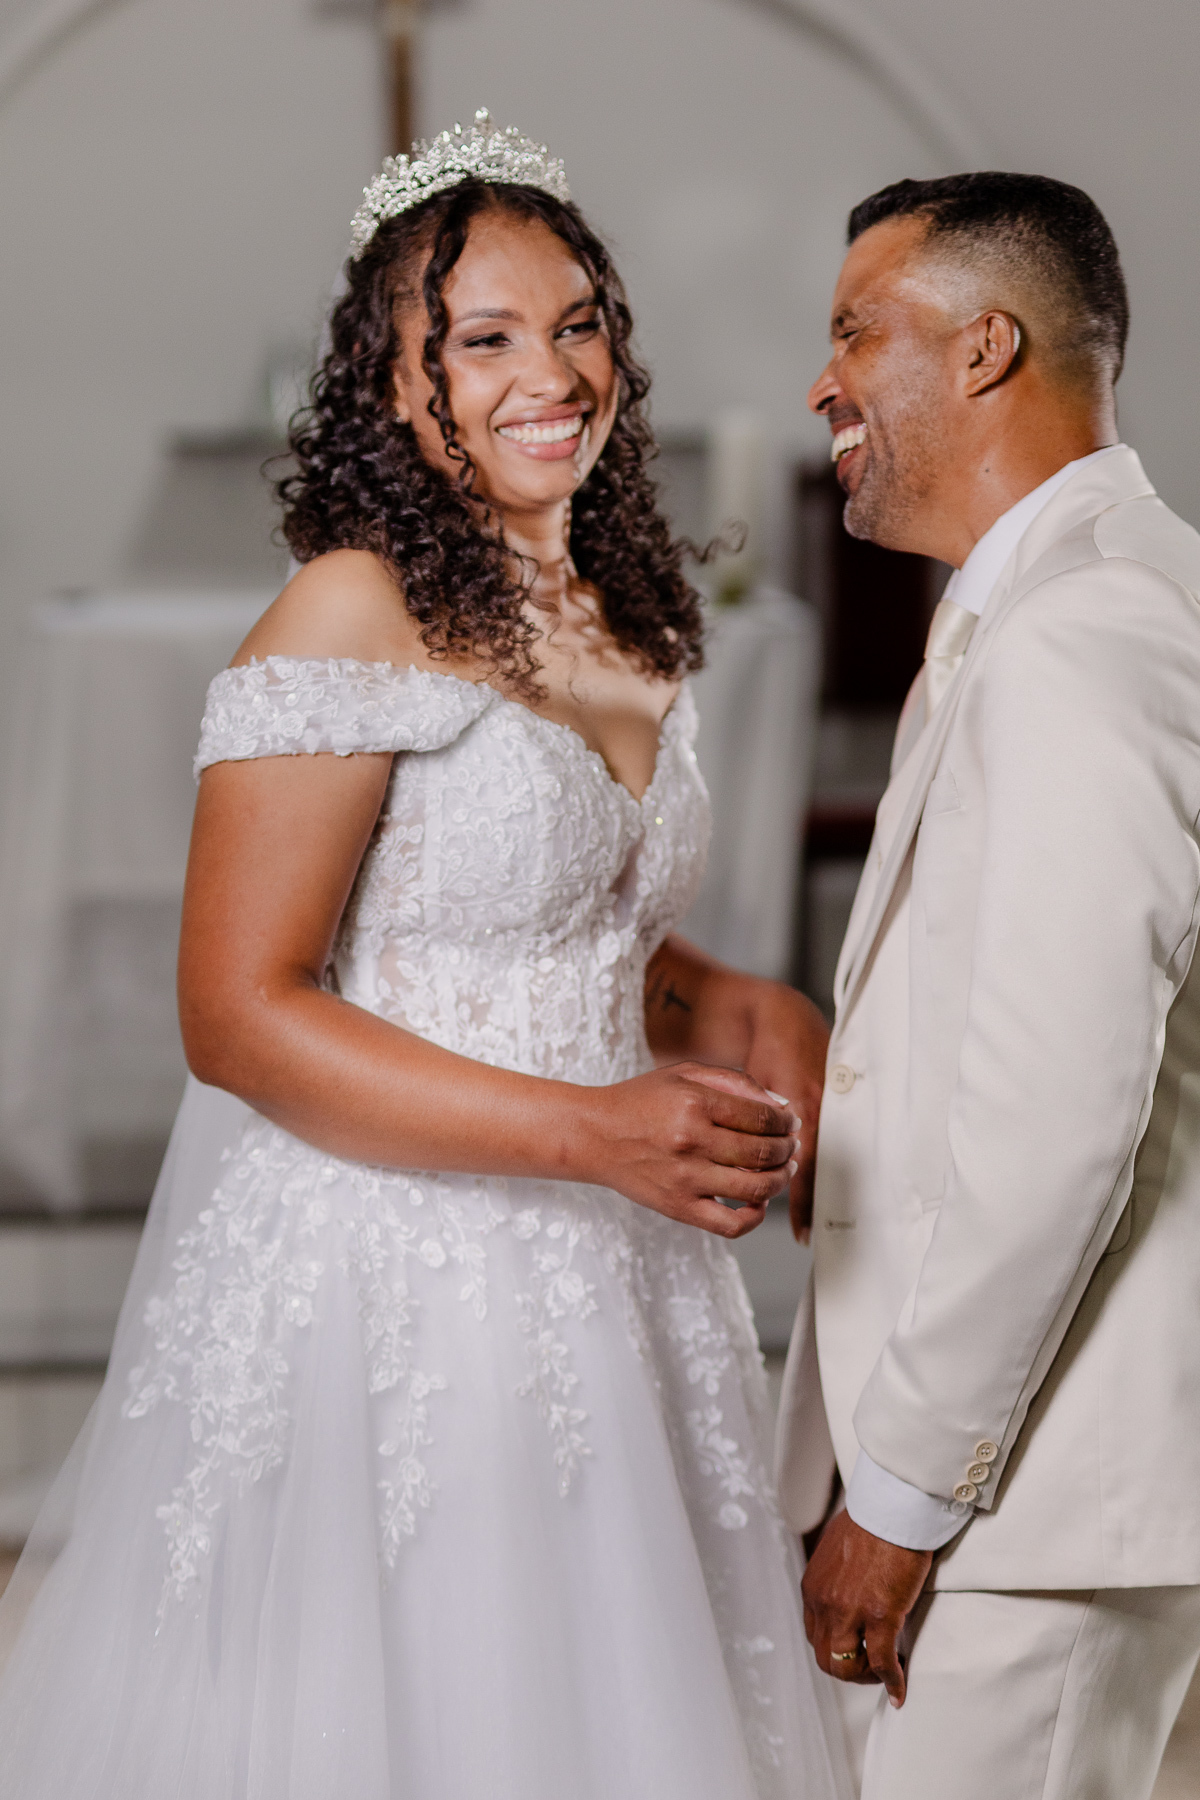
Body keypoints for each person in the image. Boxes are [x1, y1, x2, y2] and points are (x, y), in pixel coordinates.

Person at [0, 114, 848, 1800]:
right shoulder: (350, 607)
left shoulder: (624, 613)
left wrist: (732, 1002)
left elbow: (564, 912)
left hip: (613, 1272)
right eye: (484, 339)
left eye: (580, 321)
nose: (554, 372)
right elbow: (238, 1014)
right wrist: (597, 1129)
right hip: (397, 1265)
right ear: (401, 387)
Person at [775, 171, 1200, 1799]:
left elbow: (1062, 1113)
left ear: (985, 350)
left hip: (1030, 1499)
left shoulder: (1086, 629)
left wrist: (898, 1494)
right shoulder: (1038, 604)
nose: (822, 383)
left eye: (855, 333)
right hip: (1019, 1492)